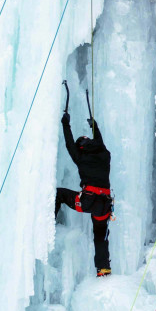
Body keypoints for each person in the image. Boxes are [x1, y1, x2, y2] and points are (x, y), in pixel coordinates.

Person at [55, 110, 112, 277]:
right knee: (100, 233)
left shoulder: (81, 158)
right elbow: (99, 142)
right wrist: (94, 126)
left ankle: (48, 226)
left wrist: (65, 123)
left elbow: (69, 145)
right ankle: (103, 268)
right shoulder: (104, 154)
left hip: (88, 200)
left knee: (59, 194)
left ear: (81, 147)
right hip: (104, 205)